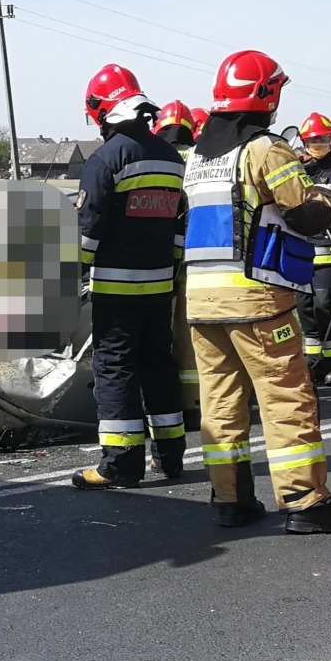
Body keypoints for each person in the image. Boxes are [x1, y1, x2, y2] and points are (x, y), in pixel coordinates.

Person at [184, 50, 331, 533]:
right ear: (265, 95)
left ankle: (231, 500)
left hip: (201, 301)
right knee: (287, 398)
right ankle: (306, 503)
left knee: (221, 404)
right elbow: (306, 213)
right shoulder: (264, 149)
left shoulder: (198, 157)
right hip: (256, 298)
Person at [71, 66, 190, 489]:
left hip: (115, 292)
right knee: (159, 366)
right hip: (159, 288)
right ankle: (171, 456)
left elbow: (88, 231)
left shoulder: (106, 158)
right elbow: (179, 225)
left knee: (116, 369)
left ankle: (120, 463)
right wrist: (168, 267)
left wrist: (70, 274)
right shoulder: (171, 158)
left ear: (100, 109)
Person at [153, 100, 204, 429]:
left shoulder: (157, 158)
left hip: (159, 260)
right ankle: (191, 404)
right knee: (188, 338)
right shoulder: (201, 158)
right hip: (197, 258)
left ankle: (162, 401)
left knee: (160, 335)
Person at [295, 112, 331, 387]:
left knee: (324, 306)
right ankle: (314, 363)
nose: (317, 145)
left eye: (321, 140)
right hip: (302, 251)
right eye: (312, 141)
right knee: (305, 308)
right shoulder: (300, 172)